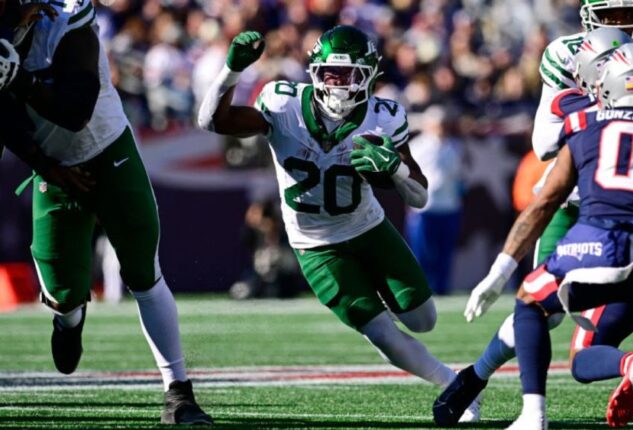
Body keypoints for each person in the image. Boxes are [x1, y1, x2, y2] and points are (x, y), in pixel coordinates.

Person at [434, 0, 633, 425]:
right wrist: (615, 107)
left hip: (629, 208)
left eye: (627, 13)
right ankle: (478, 377)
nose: (620, 22)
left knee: (544, 305)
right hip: (594, 202)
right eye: (610, 14)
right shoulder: (571, 65)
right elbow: (545, 142)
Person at [198, 25, 480, 421]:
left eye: (349, 75)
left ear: (369, 76)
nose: (338, 84)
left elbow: (419, 196)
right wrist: (231, 71)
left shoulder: (383, 117)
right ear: (314, 72)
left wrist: (395, 169)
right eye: (330, 73)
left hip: (368, 227)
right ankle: (454, 386)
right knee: (379, 331)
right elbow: (213, 121)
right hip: (315, 244)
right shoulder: (284, 104)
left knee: (423, 319)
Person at [0, 0, 211, 424]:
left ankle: (179, 393)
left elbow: (76, 111)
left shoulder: (66, 18)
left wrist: (17, 78)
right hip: (53, 167)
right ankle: (69, 319)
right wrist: (47, 166)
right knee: (62, 294)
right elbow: (3, 120)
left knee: (143, 273)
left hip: (108, 150)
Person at [405, 105, 464, 295]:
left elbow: (458, 175)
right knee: (422, 253)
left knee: (444, 252)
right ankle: (422, 289)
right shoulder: (417, 146)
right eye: (438, 124)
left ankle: (441, 288)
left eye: (444, 124)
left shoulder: (454, 146)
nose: (441, 128)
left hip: (449, 206)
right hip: (425, 207)